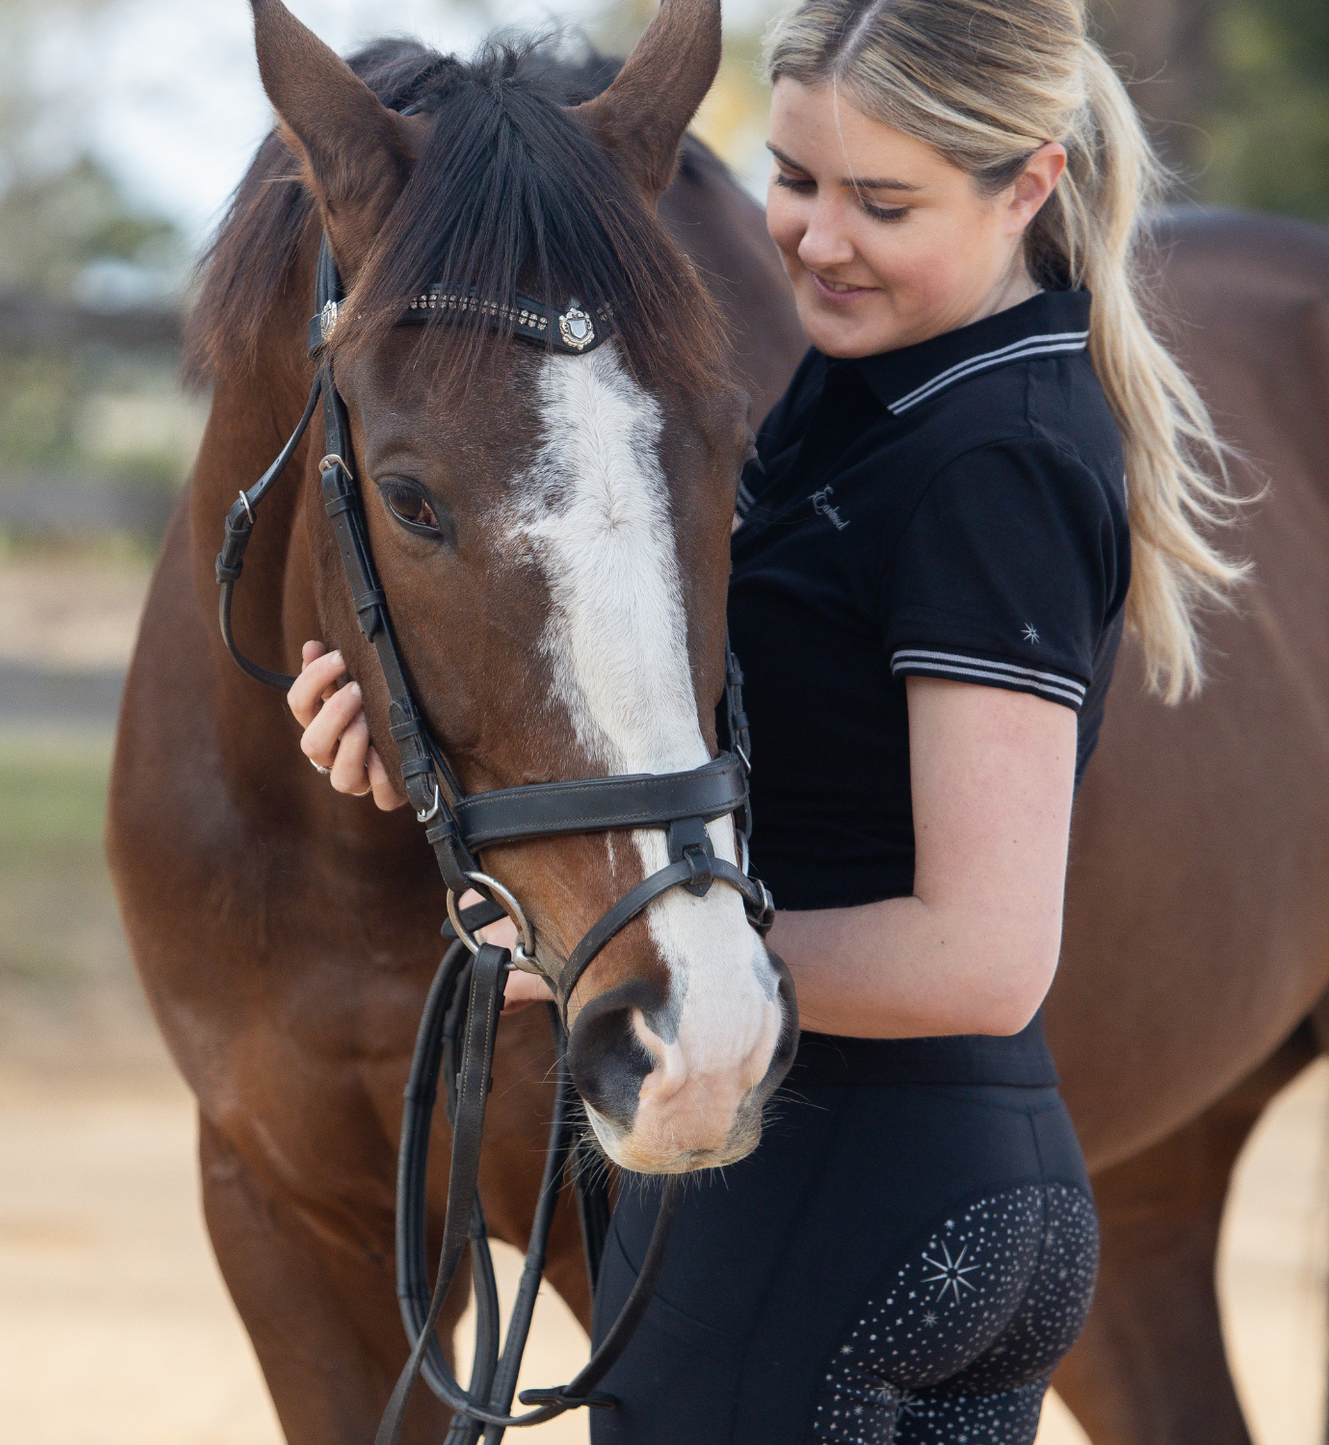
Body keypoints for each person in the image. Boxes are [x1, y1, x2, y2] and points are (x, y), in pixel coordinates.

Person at [288, 0, 1243, 1437]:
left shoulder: (994, 457)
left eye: (885, 201)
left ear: (1029, 186)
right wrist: (428, 750)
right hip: (930, 1201)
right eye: (795, 180)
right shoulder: (869, 402)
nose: (817, 237)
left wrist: (609, 956)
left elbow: (986, 959)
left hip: (843, 1206)